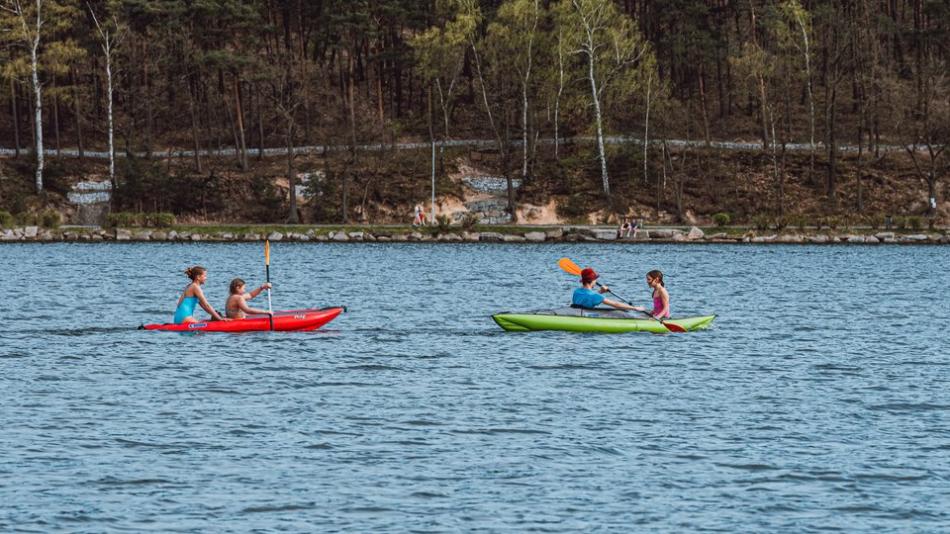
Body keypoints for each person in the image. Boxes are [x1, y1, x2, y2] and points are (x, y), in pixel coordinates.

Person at [572, 267, 639, 311]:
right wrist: (634, 308)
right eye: (595, 279)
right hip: (585, 318)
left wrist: (600, 291)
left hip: (576, 314)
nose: (596, 281)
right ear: (592, 281)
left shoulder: (576, 291)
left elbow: (588, 297)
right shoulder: (594, 295)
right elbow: (615, 304)